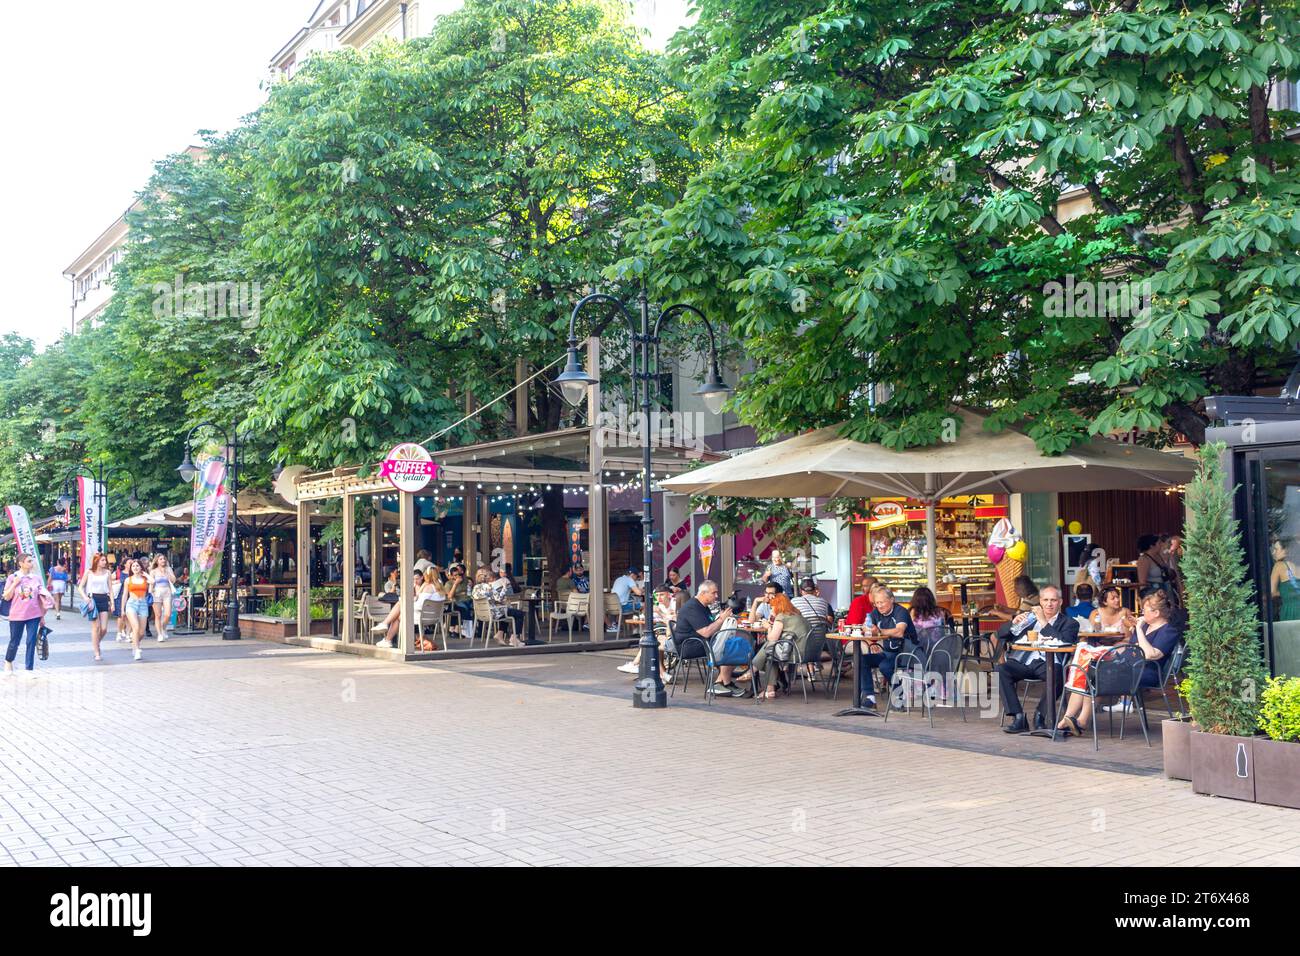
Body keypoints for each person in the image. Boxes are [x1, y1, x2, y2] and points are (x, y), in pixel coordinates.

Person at [1057, 590, 1183, 735]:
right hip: (1127, 667)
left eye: (1145, 610)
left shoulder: (1168, 631)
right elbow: (1132, 647)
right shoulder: (1146, 626)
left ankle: (1081, 721)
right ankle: (1068, 718)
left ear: (1156, 613)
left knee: (1096, 675)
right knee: (1088, 671)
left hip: (1145, 672)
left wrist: (1138, 629)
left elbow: (1150, 654)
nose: (1142, 613)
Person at [998, 585, 1079, 734]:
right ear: (1040, 601)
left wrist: (1043, 622)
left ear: (1060, 602)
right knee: (1001, 669)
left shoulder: (1070, 623)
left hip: (1049, 663)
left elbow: (1064, 642)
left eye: (1053, 600)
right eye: (1046, 600)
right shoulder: (1029, 619)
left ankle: (1040, 715)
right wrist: (1013, 622)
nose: (1049, 604)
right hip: (1024, 661)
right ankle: (1018, 717)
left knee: (1058, 673)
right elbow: (1001, 634)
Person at [670, 580, 740, 696]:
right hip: (690, 646)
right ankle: (720, 683)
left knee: (735, 643)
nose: (716, 596)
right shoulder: (692, 607)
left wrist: (722, 620)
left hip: (702, 642)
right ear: (703, 593)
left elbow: (710, 627)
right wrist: (721, 619)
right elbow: (706, 632)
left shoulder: (703, 606)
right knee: (733, 646)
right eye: (714, 593)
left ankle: (723, 681)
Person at [750, 591, 813, 699]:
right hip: (809, 654)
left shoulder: (781, 617)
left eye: (772, 606)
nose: (771, 609)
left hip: (795, 654)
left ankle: (753, 671)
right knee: (770, 653)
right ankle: (768, 689)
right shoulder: (798, 615)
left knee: (770, 650)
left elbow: (772, 638)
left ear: (777, 606)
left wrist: (768, 627)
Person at [3, 555, 51, 677]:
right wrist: (15, 583)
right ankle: (8, 661)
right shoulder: (12, 577)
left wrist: (42, 616)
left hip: (34, 615)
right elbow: (6, 596)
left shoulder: (36, 578)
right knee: (15, 641)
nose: (31, 563)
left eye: (31, 561)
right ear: (21, 563)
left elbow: (39, 598)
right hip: (17, 615)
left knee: (31, 641)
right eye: (29, 561)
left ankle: (29, 669)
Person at [375, 570, 447, 649]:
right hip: (435, 618)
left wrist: (410, 601)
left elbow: (420, 605)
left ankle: (386, 630)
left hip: (421, 617)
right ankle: (387, 638)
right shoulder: (440, 589)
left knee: (400, 607)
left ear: (426, 576)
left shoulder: (428, 588)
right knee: (400, 611)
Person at [618, 584, 678, 677]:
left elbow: (673, 620)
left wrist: (660, 613)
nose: (659, 598)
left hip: (674, 634)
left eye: (662, 595)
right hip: (663, 631)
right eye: (657, 595)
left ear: (669, 595)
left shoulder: (674, 603)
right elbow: (656, 617)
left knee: (650, 640)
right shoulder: (660, 605)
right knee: (650, 639)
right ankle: (661, 672)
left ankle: (636, 664)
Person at [471, 568, 525, 647]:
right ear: (487, 578)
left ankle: (500, 634)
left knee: (507, 612)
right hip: (493, 613)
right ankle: (514, 638)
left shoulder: (475, 588)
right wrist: (504, 587)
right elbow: (499, 598)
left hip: (481, 614)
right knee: (519, 614)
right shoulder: (489, 587)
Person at [78, 553, 113, 661]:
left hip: (104, 598)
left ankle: (96, 643)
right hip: (92, 599)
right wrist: (85, 597)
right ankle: (97, 652)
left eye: (105, 560)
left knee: (104, 628)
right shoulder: (89, 572)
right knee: (96, 627)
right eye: (102, 560)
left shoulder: (107, 572)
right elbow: (80, 587)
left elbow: (110, 589)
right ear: (96, 561)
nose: (104, 562)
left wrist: (112, 603)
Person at [119, 559, 150, 661]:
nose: (135, 568)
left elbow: (153, 582)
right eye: (133, 566)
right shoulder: (128, 580)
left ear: (141, 567)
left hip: (143, 604)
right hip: (131, 604)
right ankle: (137, 650)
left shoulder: (145, 579)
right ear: (131, 568)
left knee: (141, 632)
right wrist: (122, 609)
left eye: (137, 566)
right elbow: (124, 595)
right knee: (135, 627)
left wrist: (146, 574)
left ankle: (135, 644)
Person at [149, 555, 176, 643]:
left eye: (164, 559)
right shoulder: (153, 571)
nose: (163, 560)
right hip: (157, 592)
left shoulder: (169, 569)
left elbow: (173, 580)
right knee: (158, 615)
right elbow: (151, 583)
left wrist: (168, 574)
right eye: (160, 559)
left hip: (167, 592)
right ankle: (160, 634)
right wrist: (150, 593)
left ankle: (163, 627)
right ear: (157, 561)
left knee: (168, 614)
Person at [1270, 539, 1300, 620]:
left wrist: (1285, 592)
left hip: (1290, 611)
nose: (1273, 553)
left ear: (1286, 550)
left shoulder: (1278, 566)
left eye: (1276, 549)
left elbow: (1272, 592)